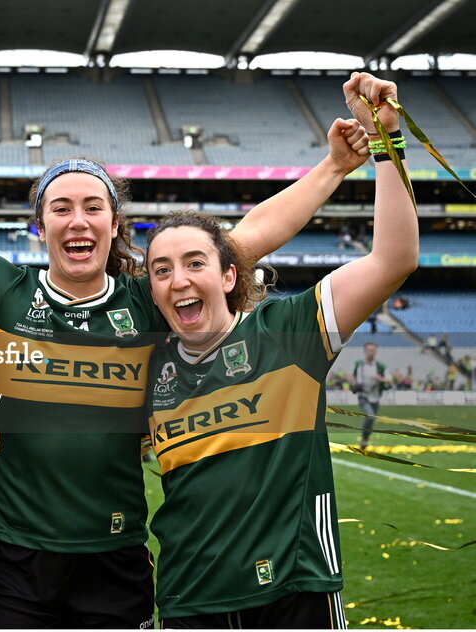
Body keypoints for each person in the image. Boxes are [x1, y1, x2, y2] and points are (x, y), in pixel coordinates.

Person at [0, 74, 370, 628]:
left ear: (115, 224)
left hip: (113, 551)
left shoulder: (149, 300)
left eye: (93, 206)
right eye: (61, 208)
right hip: (9, 552)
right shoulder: (5, 292)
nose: (78, 220)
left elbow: (248, 236)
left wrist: (334, 167)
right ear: (39, 229)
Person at [139, 72, 414, 628]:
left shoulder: (288, 332)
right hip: (188, 600)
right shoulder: (148, 367)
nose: (179, 279)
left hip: (294, 593)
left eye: (196, 263)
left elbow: (393, 260)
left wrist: (386, 145)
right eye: (161, 270)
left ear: (228, 275)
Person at [350, 342, 389, 449]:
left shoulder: (380, 366)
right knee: (370, 416)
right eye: (368, 350)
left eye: (372, 350)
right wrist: (354, 383)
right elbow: (352, 376)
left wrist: (379, 379)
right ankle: (364, 440)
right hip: (363, 395)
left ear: (375, 352)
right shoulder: (359, 364)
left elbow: (389, 380)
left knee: (371, 419)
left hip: (375, 397)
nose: (370, 352)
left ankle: (364, 440)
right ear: (365, 351)